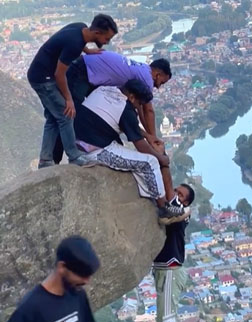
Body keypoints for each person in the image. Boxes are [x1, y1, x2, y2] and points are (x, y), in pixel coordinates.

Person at [72, 79, 187, 225]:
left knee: (136, 159)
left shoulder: (105, 90)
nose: (138, 108)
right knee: (149, 162)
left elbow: (129, 125)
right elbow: (140, 146)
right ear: (132, 97)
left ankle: (153, 196)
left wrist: (148, 136)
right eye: (139, 104)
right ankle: (164, 208)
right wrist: (162, 159)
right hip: (94, 150)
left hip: (78, 141)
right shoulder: (125, 109)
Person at [27, 14, 118, 168]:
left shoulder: (80, 26)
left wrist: (88, 51)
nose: (107, 42)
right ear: (97, 33)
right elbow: (60, 74)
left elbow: (74, 43)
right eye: (106, 38)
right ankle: (74, 156)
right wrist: (69, 100)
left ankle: (45, 159)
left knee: (53, 117)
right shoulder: (75, 45)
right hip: (44, 79)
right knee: (66, 115)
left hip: (40, 74)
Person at [51, 53, 173, 163]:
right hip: (82, 71)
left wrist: (149, 136)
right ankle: (55, 158)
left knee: (77, 114)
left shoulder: (141, 69)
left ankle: (70, 153)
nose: (158, 87)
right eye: (161, 82)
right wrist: (153, 139)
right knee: (69, 115)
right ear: (158, 74)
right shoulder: (147, 79)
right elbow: (148, 110)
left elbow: (140, 107)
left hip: (87, 70)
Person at [153, 182, 201, 322]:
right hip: (164, 270)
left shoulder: (180, 212)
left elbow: (168, 213)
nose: (177, 196)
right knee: (162, 320)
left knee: (167, 320)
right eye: (177, 192)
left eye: (182, 196)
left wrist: (183, 206)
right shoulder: (175, 208)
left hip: (171, 269)